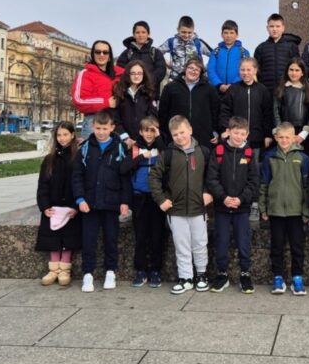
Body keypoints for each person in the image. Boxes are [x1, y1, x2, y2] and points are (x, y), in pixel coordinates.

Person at [149, 115, 212, 294]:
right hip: (175, 209)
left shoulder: (203, 152)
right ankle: (185, 277)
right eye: (175, 134)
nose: (179, 137)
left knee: (200, 243)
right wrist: (161, 199)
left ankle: (201, 275)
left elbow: (212, 175)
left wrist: (208, 192)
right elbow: (154, 176)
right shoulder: (168, 154)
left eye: (182, 132)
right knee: (181, 245)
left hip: (198, 208)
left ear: (190, 130)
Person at [71, 110, 131, 293]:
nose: (101, 132)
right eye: (98, 128)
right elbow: (77, 176)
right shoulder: (85, 148)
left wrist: (125, 201)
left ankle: (110, 272)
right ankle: (88, 273)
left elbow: (125, 177)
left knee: (111, 240)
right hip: (89, 204)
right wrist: (80, 198)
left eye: (105, 128)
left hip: (111, 203)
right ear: (92, 127)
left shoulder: (120, 148)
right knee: (89, 241)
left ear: (112, 128)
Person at [206, 117, 260, 294]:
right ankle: (222, 274)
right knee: (221, 241)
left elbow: (254, 181)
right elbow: (212, 179)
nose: (239, 137)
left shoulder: (249, 153)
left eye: (242, 134)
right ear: (228, 132)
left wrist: (242, 198)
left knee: (243, 242)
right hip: (222, 207)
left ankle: (245, 274)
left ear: (247, 134)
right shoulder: (219, 151)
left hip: (241, 208)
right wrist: (223, 197)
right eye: (236, 133)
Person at [259, 122, 309, 295]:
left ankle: (297, 278)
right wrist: (263, 208)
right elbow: (264, 184)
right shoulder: (269, 157)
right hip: (276, 211)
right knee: (277, 246)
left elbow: (307, 187)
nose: (284, 140)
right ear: (275, 138)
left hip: (296, 211)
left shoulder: (303, 158)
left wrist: (306, 210)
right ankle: (278, 277)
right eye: (280, 137)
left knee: (297, 247)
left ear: (294, 137)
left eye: (287, 137)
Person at [35, 120, 81, 287]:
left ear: (72, 135)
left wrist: (76, 207)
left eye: (65, 134)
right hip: (53, 207)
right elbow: (43, 184)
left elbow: (81, 183)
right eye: (59, 135)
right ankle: (53, 269)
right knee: (53, 238)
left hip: (70, 207)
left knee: (68, 239)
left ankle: (64, 269)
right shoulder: (49, 159)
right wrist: (44, 206)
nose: (62, 138)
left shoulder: (78, 157)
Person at [129, 116, 166, 288]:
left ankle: (156, 270)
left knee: (157, 236)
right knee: (141, 235)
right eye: (146, 130)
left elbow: (168, 157)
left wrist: (159, 138)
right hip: (139, 196)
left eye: (153, 130)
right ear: (140, 132)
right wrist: (140, 157)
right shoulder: (135, 148)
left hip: (157, 197)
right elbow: (124, 168)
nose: (149, 134)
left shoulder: (161, 147)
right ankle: (141, 270)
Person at [158, 58, 220, 147]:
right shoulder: (170, 88)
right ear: (185, 69)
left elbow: (216, 111)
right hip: (177, 136)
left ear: (201, 72)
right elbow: (163, 113)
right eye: (190, 68)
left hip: (202, 137)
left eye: (197, 69)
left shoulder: (209, 89)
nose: (193, 71)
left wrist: (216, 131)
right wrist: (164, 133)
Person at [72, 40, 124, 140]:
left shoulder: (120, 74)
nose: (101, 55)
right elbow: (79, 100)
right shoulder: (85, 74)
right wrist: (106, 102)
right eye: (98, 52)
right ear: (93, 54)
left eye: (105, 52)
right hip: (94, 122)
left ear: (109, 56)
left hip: (116, 123)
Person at [219, 57, 274, 152]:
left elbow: (267, 114)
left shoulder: (262, 90)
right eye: (242, 70)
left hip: (257, 139)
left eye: (249, 70)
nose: (245, 73)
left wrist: (268, 134)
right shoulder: (233, 89)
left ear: (255, 70)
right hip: (236, 138)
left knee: (254, 161)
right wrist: (225, 129)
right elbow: (225, 111)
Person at [273, 59, 309, 158]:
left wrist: (304, 133)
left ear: (302, 73)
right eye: (291, 70)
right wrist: (280, 130)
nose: (294, 73)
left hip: (302, 133)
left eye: (297, 70)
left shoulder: (308, 90)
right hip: (285, 131)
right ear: (287, 71)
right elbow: (275, 111)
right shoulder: (280, 89)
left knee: (302, 159)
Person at [112, 60, 158, 146]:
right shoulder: (119, 93)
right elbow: (115, 119)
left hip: (144, 141)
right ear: (128, 74)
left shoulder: (149, 93)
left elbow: (152, 117)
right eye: (133, 73)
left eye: (139, 73)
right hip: (123, 141)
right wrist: (125, 138)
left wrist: (145, 135)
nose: (136, 76)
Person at [254, 13, 302, 93]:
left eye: (277, 26)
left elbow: (298, 67)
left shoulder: (291, 47)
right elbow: (256, 70)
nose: (274, 29)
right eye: (271, 26)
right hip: (266, 90)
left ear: (283, 28)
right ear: (267, 28)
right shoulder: (261, 48)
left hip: (286, 89)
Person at [159, 15, 211, 83]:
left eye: (189, 32)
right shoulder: (171, 42)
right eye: (183, 32)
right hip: (175, 79)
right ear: (178, 29)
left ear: (193, 30)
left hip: (195, 81)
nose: (186, 35)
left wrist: (204, 68)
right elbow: (157, 53)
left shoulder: (198, 43)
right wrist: (166, 62)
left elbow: (214, 55)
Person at [116, 21, 167, 87]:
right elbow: (120, 70)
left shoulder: (155, 52)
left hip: (151, 91)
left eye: (143, 32)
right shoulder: (127, 53)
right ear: (134, 35)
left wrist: (148, 82)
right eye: (137, 32)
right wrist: (131, 81)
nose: (140, 35)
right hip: (131, 90)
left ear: (148, 34)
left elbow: (161, 71)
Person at [207, 19, 250, 93]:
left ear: (237, 35)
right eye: (226, 33)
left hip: (237, 90)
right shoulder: (216, 52)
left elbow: (245, 71)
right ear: (222, 34)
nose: (228, 35)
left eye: (231, 33)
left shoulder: (243, 52)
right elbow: (211, 70)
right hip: (217, 90)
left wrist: (233, 85)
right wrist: (219, 85)